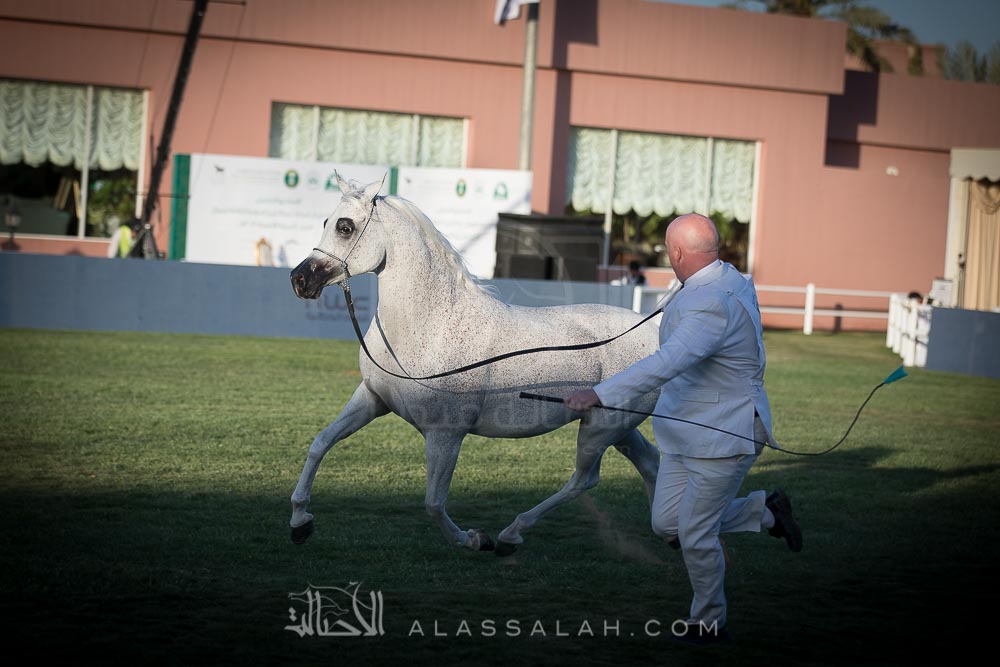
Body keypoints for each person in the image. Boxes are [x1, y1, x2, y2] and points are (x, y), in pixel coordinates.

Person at [565, 213, 801, 644]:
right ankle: (766, 512)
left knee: (695, 532)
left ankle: (709, 622)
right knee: (667, 523)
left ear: (675, 252)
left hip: (725, 433)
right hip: (688, 431)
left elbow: (670, 361)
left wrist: (600, 393)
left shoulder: (713, 301)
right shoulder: (724, 276)